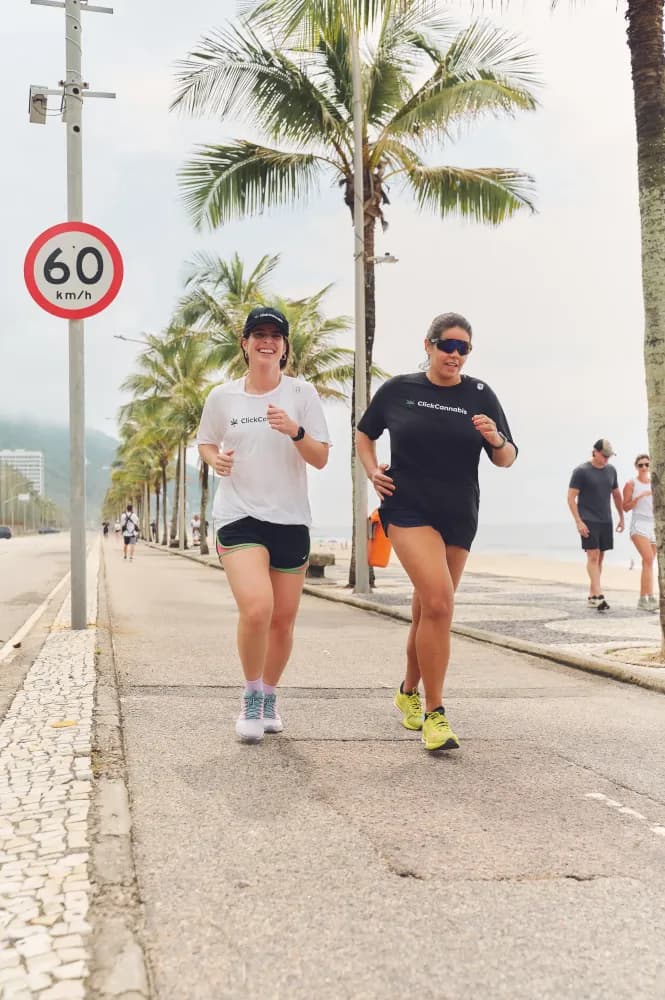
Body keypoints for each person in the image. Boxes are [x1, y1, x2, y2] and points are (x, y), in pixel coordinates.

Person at [356, 312, 517, 753]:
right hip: (407, 508)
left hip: (459, 514)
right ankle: (435, 714)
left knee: (429, 610)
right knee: (441, 603)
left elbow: (506, 458)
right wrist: (373, 471)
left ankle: (407, 690)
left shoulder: (480, 394)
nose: (455, 354)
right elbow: (364, 433)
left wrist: (497, 440)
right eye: (447, 344)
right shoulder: (399, 390)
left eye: (463, 348)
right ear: (428, 345)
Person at [196, 306, 331, 744]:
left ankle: (270, 695)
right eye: (258, 334)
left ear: (285, 346)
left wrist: (294, 431)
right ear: (245, 343)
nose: (266, 341)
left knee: (283, 621)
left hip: (290, 519)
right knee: (257, 608)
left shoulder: (302, 394)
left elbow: (321, 456)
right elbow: (206, 441)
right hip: (238, 516)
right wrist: (215, 459)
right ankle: (251, 695)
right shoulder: (223, 397)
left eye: (275, 335)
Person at [567, 439, 625, 611]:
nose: (606, 459)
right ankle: (599, 596)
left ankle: (592, 595)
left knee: (600, 558)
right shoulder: (581, 472)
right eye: (604, 455)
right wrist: (578, 521)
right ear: (595, 452)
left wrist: (621, 517)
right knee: (592, 556)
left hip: (606, 520)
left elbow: (616, 495)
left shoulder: (611, 471)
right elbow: (571, 498)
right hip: (588, 520)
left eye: (609, 456)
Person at [623, 453, 657, 612]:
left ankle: (644, 599)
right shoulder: (631, 484)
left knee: (648, 563)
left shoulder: (654, 484)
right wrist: (640, 497)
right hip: (639, 525)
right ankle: (649, 597)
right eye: (640, 465)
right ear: (636, 467)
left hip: (653, 526)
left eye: (646, 464)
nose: (644, 467)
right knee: (649, 559)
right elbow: (625, 507)